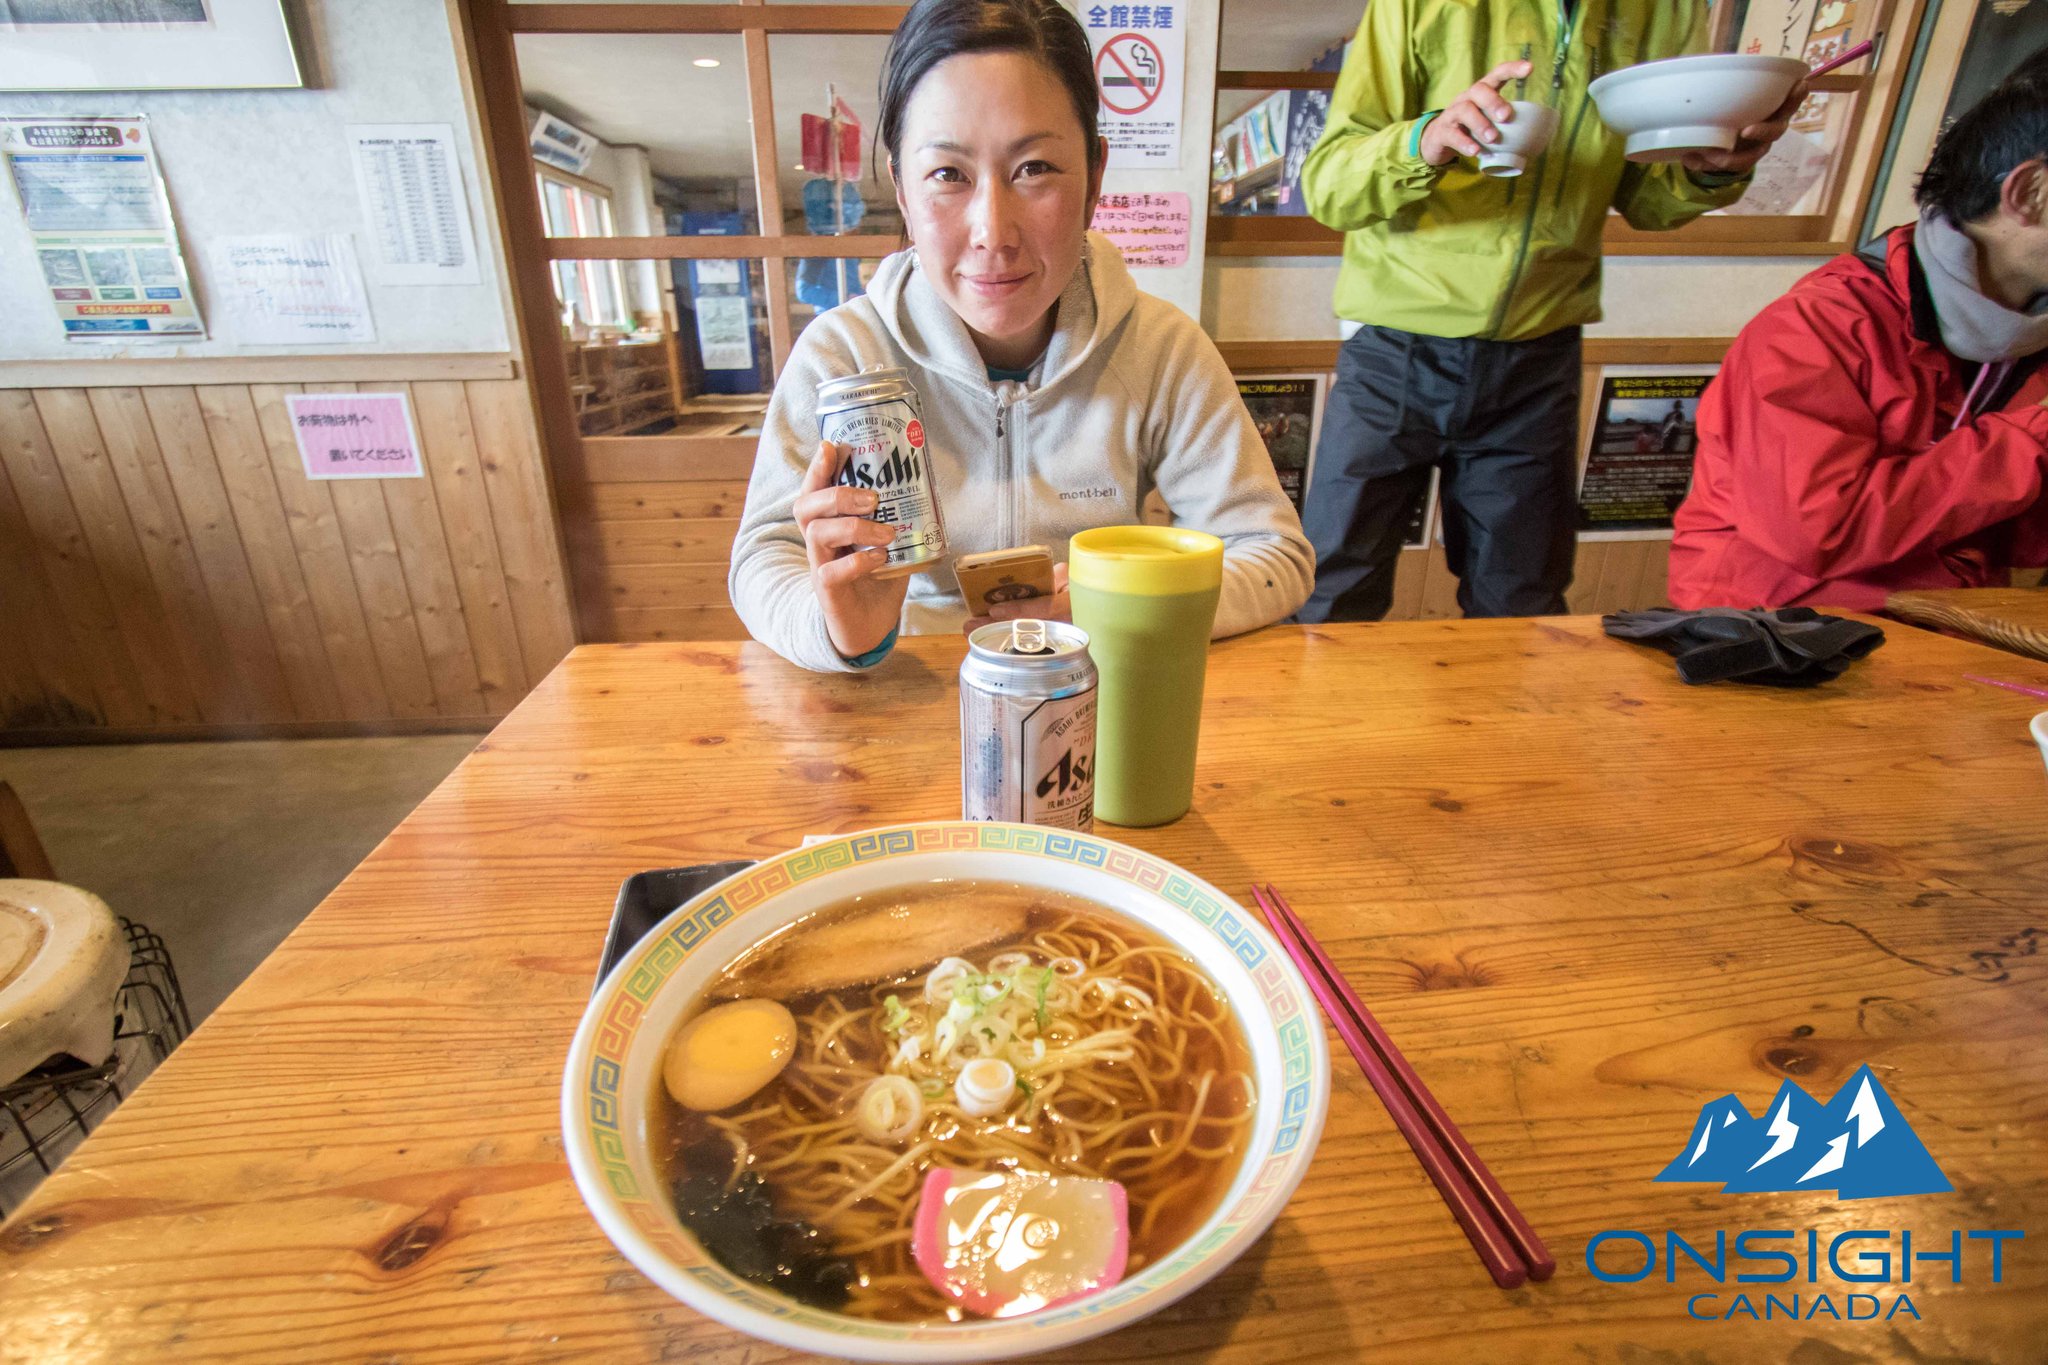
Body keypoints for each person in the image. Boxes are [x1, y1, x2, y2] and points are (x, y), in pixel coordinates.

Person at [729, 0, 1313, 672]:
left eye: (1034, 168)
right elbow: (763, 555)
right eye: (948, 175)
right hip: (908, 688)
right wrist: (838, 626)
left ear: (1096, 175)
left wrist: (1112, 607)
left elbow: (1274, 555)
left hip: (1093, 695)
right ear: (902, 188)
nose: (993, 233)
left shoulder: (1161, 349)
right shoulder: (843, 357)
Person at [1296, 1, 1798, 622]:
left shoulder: (1666, 11)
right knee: (1329, 592)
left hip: (1540, 355)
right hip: (1396, 350)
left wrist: (1716, 170)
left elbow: (1651, 200)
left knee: (1524, 605)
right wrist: (1426, 139)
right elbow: (1327, 187)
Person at [1670, 49, 2048, 611]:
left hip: (1946, 632)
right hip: (1777, 640)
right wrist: (2034, 438)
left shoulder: (2029, 332)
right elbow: (1821, 530)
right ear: (2029, 191)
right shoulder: (1818, 326)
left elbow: (2019, 537)